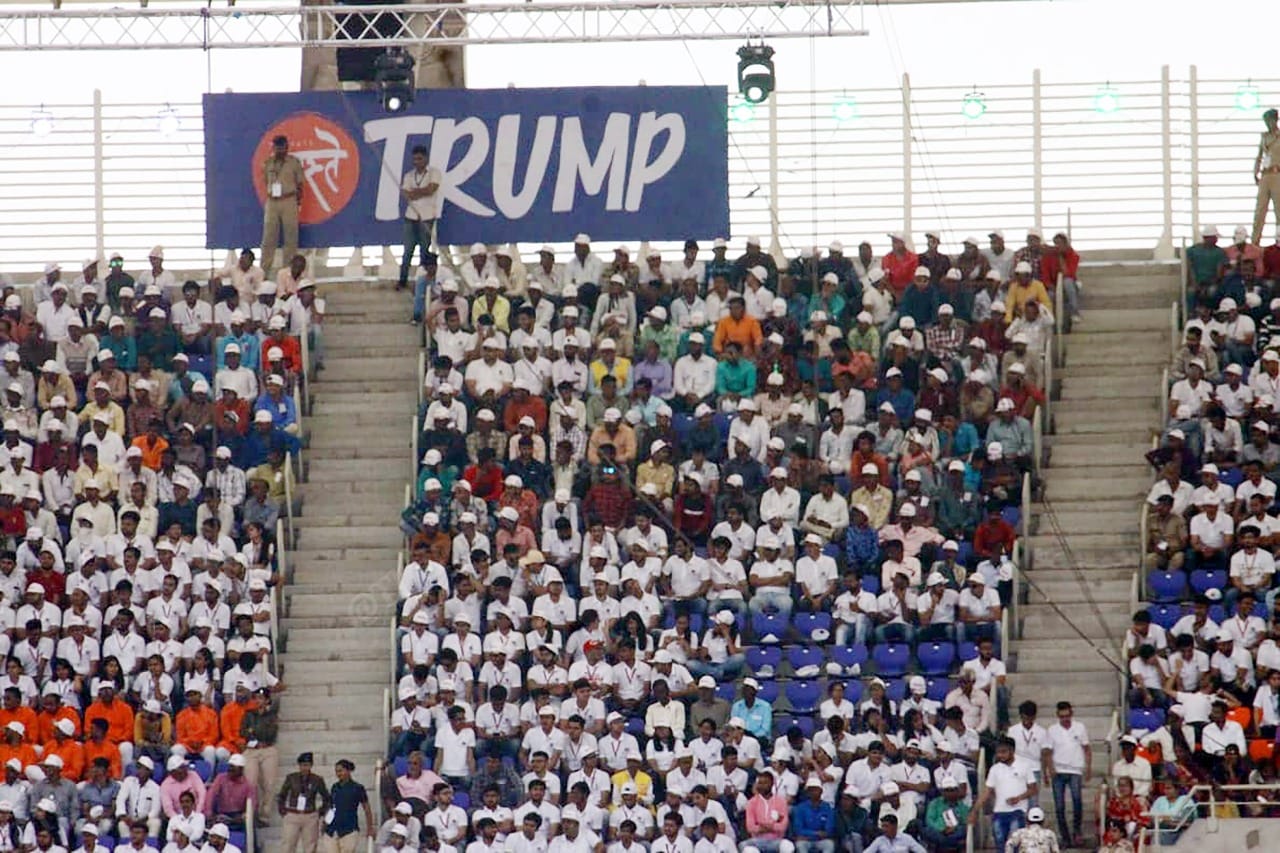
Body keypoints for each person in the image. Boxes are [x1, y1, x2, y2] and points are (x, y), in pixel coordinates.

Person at [259, 135, 305, 277]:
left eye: (282, 147)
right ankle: (264, 271)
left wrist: (298, 202)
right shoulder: (268, 163)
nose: (280, 150)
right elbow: (266, 181)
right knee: (268, 237)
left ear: (287, 147)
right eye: (277, 147)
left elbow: (300, 184)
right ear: (273, 148)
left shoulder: (294, 163)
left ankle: (288, 272)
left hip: (289, 199)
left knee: (291, 237)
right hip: (272, 201)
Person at [399, 144, 443, 292]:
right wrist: (421, 192)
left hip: (427, 217)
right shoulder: (409, 175)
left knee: (424, 251)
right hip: (410, 217)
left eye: (419, 159)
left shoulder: (434, 173)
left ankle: (421, 281)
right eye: (414, 159)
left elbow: (431, 189)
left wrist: (415, 192)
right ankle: (402, 281)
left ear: (425, 158)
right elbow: (406, 194)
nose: (416, 162)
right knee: (408, 251)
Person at [278, 751, 329, 853]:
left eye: (307, 765)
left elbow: (326, 797)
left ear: (311, 765)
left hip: (309, 814)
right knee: (288, 845)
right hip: (293, 813)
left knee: (310, 846)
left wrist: (321, 812)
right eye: (302, 765)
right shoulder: (291, 778)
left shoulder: (317, 779)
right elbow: (282, 795)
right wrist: (283, 810)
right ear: (299, 765)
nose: (305, 768)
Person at [1254, 108, 1280, 245]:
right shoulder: (1264, 137)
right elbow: (1259, 156)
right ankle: (1255, 241)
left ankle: (1279, 241)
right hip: (1265, 174)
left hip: (1277, 174)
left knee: (1279, 210)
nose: (1267, 123)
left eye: (1269, 120)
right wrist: (1255, 172)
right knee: (1260, 210)